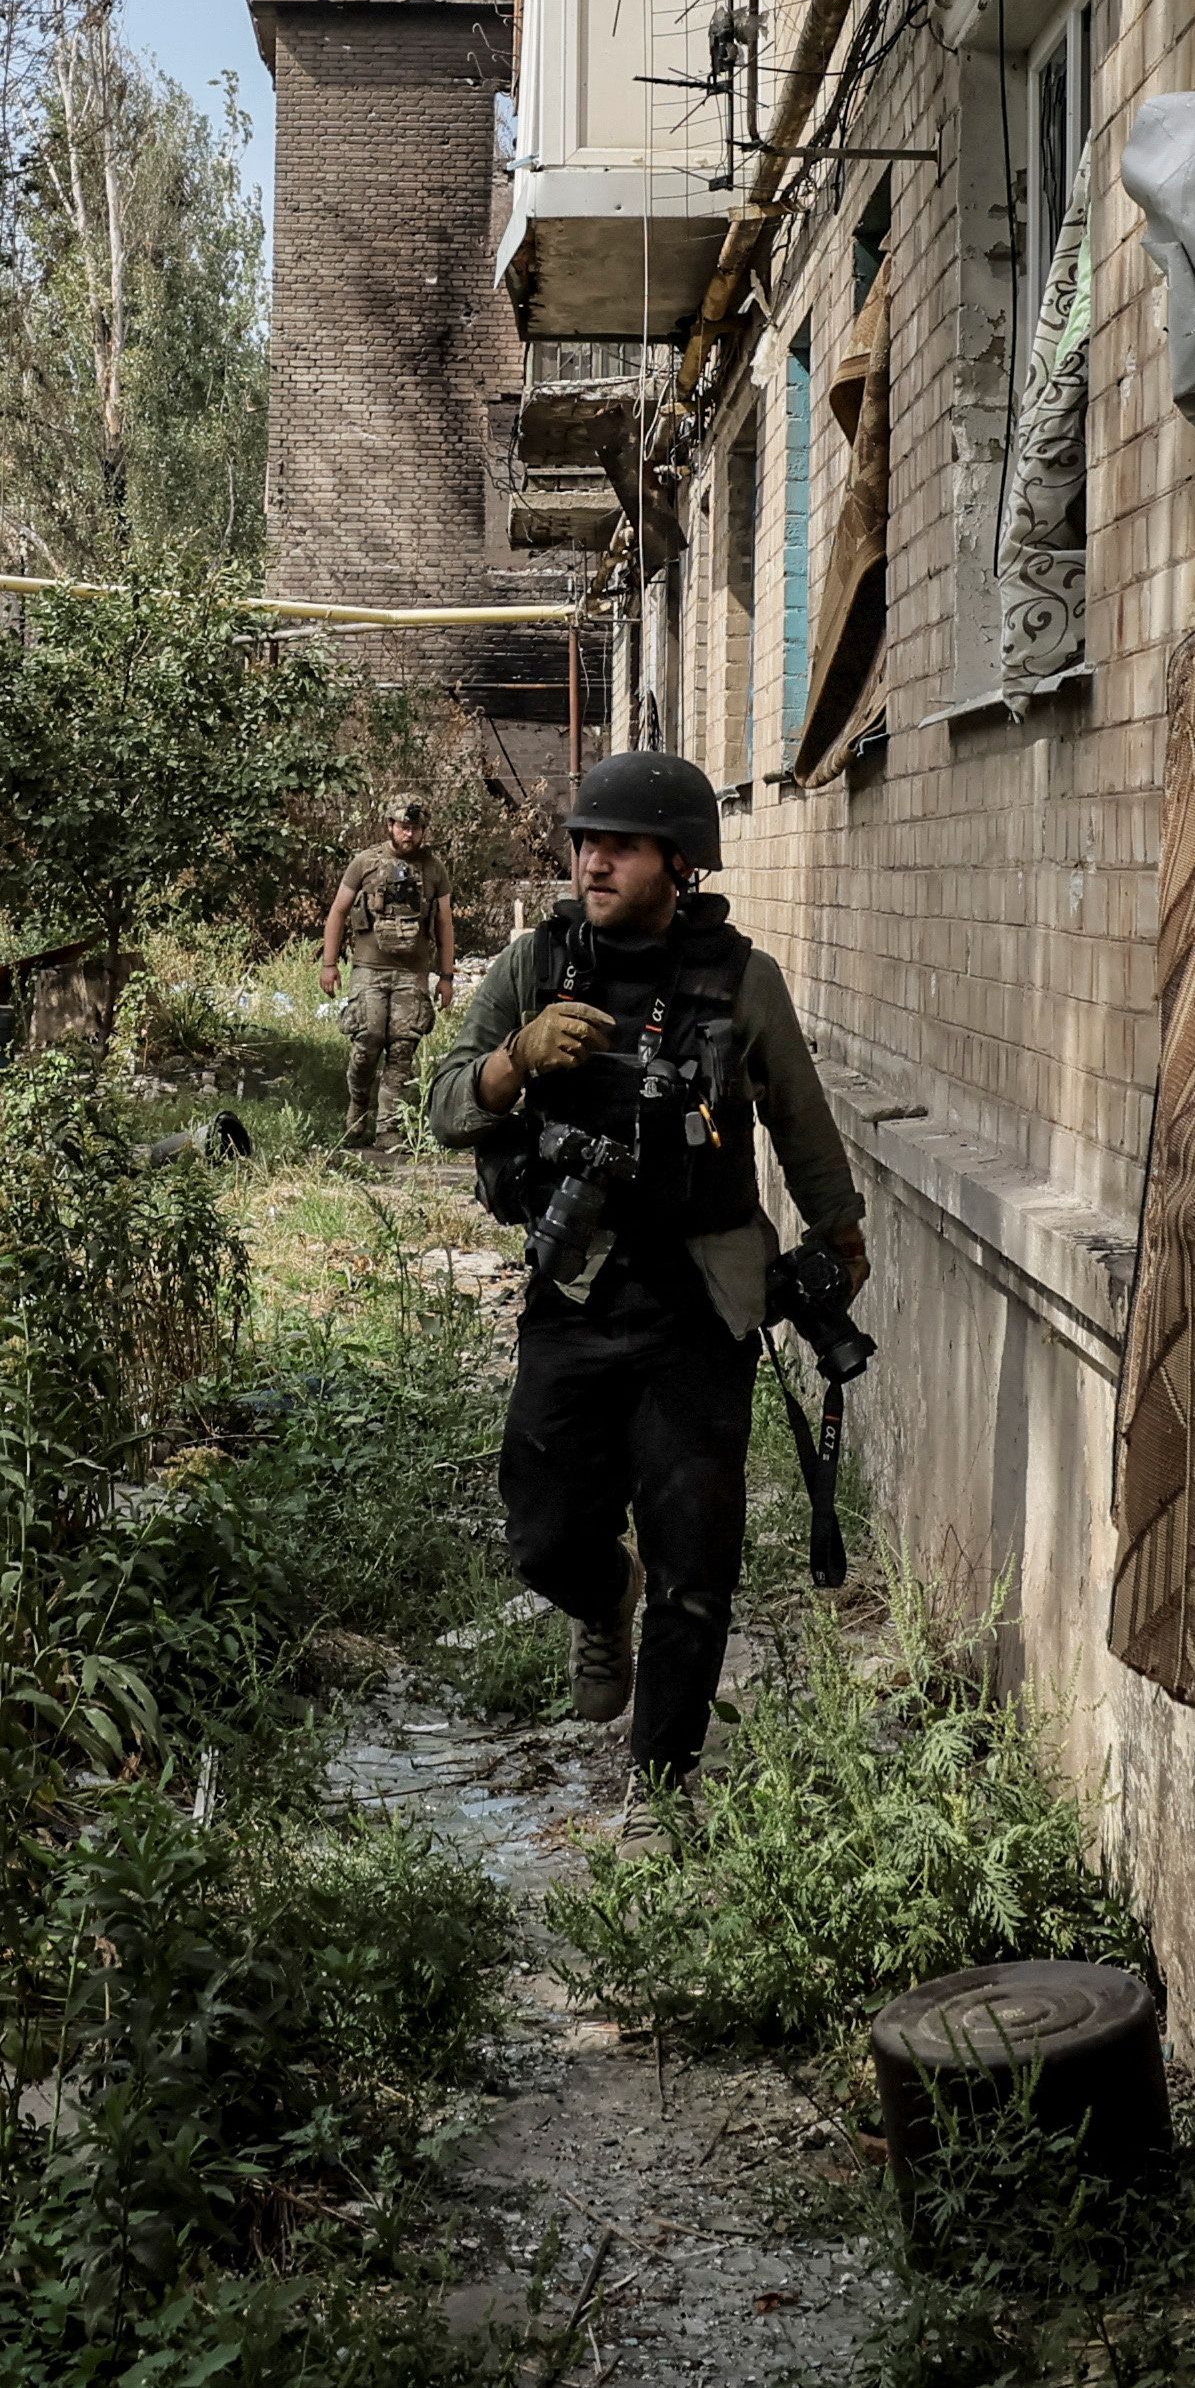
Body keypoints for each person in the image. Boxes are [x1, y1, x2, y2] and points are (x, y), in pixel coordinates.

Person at [426, 748, 867, 1780]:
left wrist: (838, 1237)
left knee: (697, 1566)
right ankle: (599, 1594)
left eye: (622, 844)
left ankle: (661, 1786)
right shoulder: (535, 967)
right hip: (575, 1287)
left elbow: (802, 1123)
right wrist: (514, 1060)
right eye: (586, 841)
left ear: (681, 862)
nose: (595, 861)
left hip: (701, 1306)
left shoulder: (741, 980)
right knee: (543, 1535)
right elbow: (444, 1106)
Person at [318, 793, 455, 1153]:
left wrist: (447, 976)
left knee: (402, 1049)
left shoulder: (433, 868)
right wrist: (329, 964)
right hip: (369, 970)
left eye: (417, 828)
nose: (410, 835)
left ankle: (388, 1128)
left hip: (413, 974)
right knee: (367, 1042)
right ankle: (358, 1108)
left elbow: (444, 922)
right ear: (390, 826)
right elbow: (338, 911)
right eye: (404, 826)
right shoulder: (365, 863)